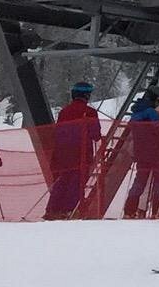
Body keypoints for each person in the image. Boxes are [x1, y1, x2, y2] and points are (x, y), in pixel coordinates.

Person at [45, 82, 100, 218]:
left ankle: (52, 209)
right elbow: (96, 135)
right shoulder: (90, 112)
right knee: (77, 183)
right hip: (81, 154)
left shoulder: (64, 111)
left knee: (62, 181)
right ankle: (68, 209)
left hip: (61, 154)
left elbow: (57, 133)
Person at [122, 87, 159, 218]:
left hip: (141, 153)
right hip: (156, 152)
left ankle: (129, 210)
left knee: (140, 182)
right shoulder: (151, 112)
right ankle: (157, 210)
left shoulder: (137, 113)